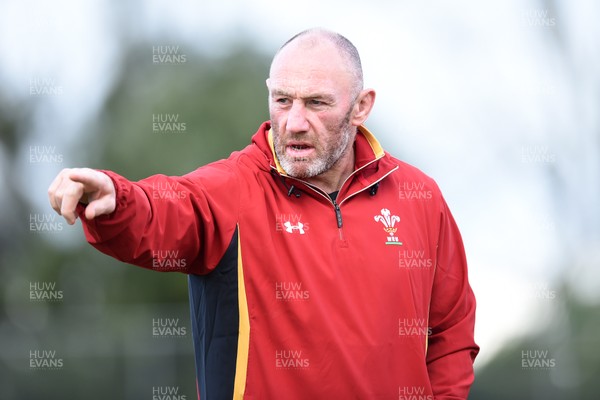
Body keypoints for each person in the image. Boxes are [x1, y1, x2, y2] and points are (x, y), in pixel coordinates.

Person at [48, 28, 479, 400]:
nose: (293, 121)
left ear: (361, 106)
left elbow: (451, 330)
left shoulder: (419, 196)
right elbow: (162, 210)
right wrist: (116, 201)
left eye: (316, 103)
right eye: (282, 99)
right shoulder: (232, 188)